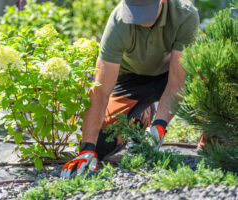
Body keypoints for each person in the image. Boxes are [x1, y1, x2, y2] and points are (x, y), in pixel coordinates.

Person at [61, 0, 199, 178]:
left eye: (146, 11)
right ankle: (140, 116)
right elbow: (100, 90)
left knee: (207, 73)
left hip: (170, 74)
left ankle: (213, 142)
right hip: (131, 80)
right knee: (102, 142)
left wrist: (160, 126)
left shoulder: (185, 14)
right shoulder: (119, 21)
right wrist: (86, 147)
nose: (140, 19)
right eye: (135, 11)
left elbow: (177, 82)